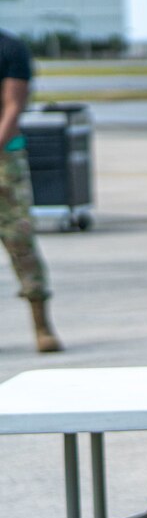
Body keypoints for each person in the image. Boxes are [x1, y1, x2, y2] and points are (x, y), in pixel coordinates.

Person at [0, 27, 58, 351]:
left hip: (4, 159)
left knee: (19, 239)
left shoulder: (9, 48)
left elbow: (12, 105)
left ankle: (41, 324)